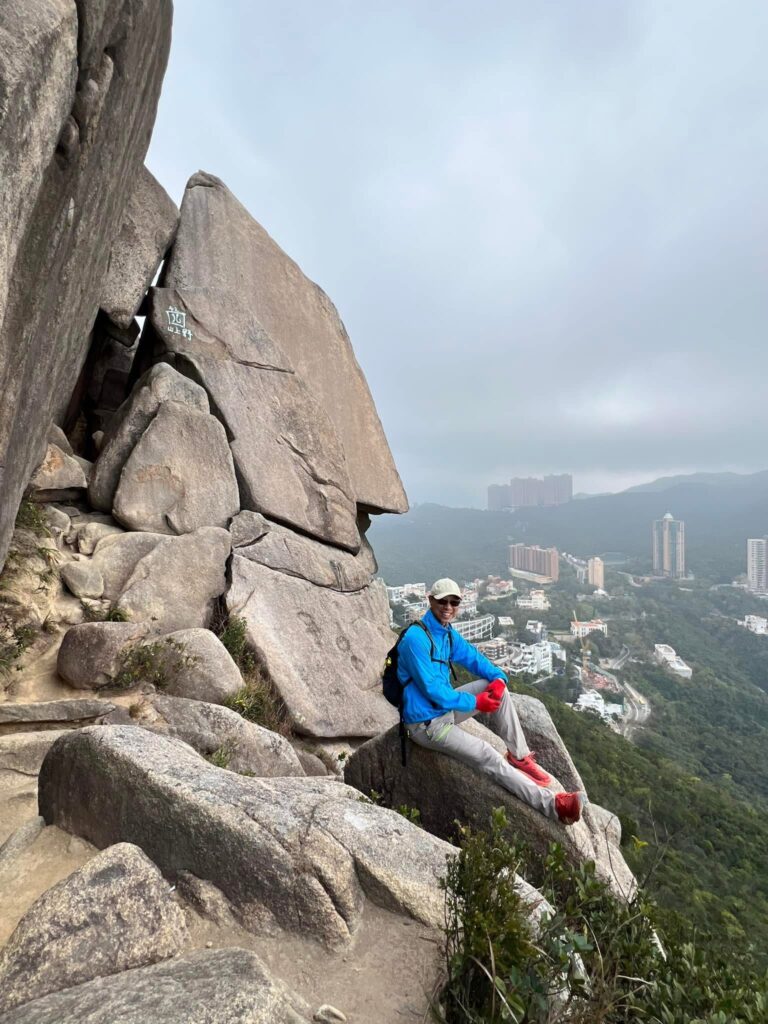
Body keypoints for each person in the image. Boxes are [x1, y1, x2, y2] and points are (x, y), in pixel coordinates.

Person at [397, 577, 586, 825]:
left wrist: (498, 677)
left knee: (497, 688)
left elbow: (473, 658)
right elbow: (434, 691)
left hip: (443, 711)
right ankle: (554, 806)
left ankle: (519, 756)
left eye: (454, 602)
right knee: (487, 754)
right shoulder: (416, 639)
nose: (448, 607)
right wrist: (476, 703)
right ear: (431, 600)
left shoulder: (446, 634)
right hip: (427, 725)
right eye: (443, 601)